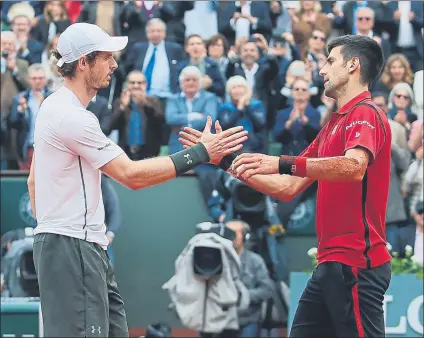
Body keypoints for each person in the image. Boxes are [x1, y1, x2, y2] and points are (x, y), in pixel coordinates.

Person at [27, 23, 248, 338]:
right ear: (83, 63)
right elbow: (130, 175)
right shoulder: (71, 116)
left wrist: (49, 233)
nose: (114, 65)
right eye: (106, 57)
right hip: (73, 246)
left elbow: (33, 181)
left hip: (76, 245)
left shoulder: (55, 107)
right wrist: (200, 153)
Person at [179, 34, 392, 338]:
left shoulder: (366, 112)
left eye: (330, 61)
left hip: (357, 265)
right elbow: (285, 187)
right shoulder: (333, 124)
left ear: (353, 65)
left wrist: (281, 161)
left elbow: (354, 167)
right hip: (331, 264)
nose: (322, 70)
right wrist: (222, 160)